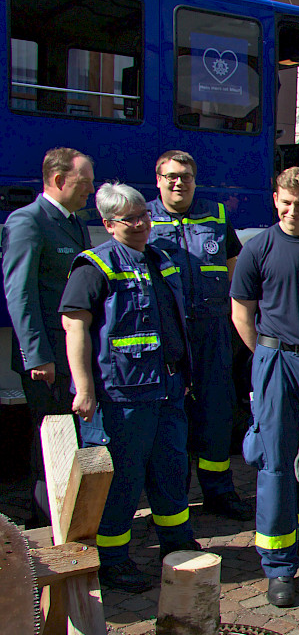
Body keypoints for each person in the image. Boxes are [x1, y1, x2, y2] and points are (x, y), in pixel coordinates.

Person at [59, 182, 198, 592]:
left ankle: (176, 543)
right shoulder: (94, 266)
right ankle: (113, 560)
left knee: (172, 471)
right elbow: (75, 326)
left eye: (143, 216)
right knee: (122, 481)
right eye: (128, 220)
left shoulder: (159, 259)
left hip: (167, 388)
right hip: (124, 395)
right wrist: (83, 389)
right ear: (108, 223)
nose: (140, 224)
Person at [230, 167, 299, 608]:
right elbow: (240, 313)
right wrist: (265, 357)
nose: (293, 211)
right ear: (275, 200)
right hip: (276, 361)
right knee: (275, 464)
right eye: (286, 203)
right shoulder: (258, 249)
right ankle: (278, 564)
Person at [147, 150, 250, 521]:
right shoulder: (144, 219)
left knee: (217, 413)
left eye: (186, 176)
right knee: (169, 415)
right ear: (158, 180)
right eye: (172, 176)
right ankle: (172, 496)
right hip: (169, 336)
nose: (179, 182)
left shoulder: (216, 216)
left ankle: (219, 492)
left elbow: (236, 270)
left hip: (212, 331)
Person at [1, 147, 94, 528]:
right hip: (49, 358)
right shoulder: (27, 222)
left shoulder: (73, 222)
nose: (91, 190)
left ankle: (67, 519)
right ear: (58, 180)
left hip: (73, 352)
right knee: (51, 444)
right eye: (84, 182)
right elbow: (19, 293)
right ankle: (46, 528)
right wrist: (36, 355)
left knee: (70, 440)